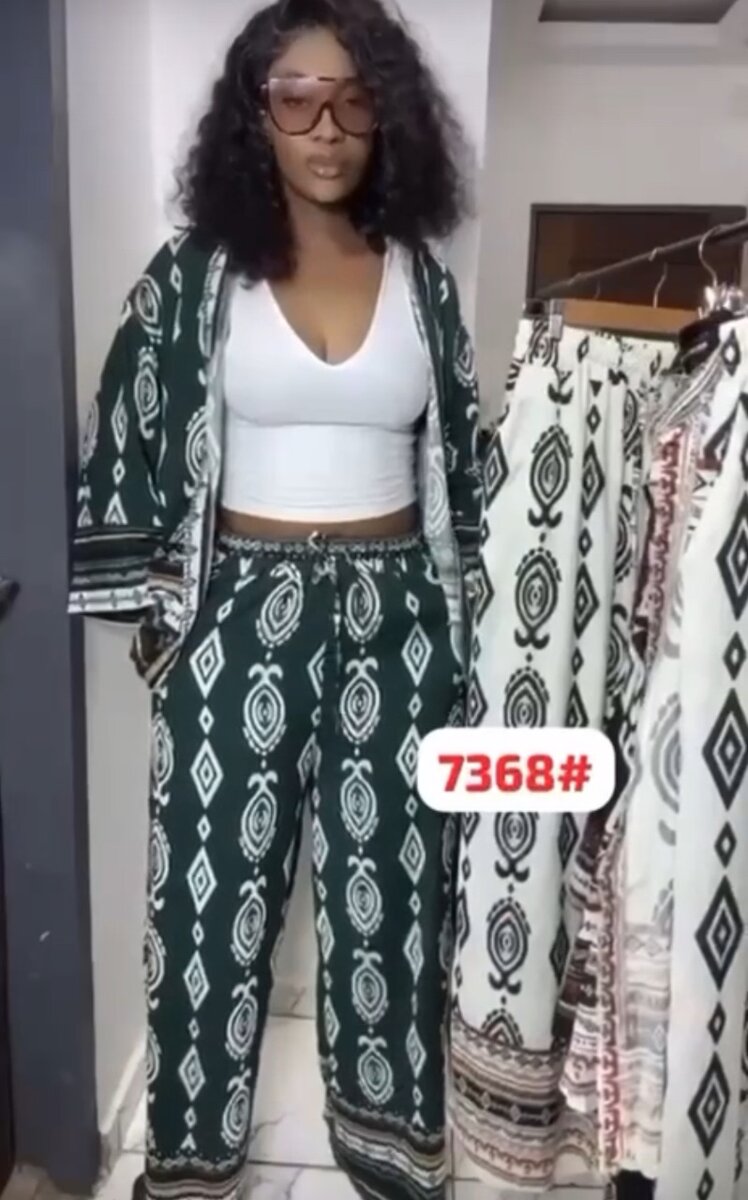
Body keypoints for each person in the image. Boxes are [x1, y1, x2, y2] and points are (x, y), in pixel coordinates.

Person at [69, 0, 481, 1197]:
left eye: (354, 99)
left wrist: (469, 629)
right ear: (255, 114)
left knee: (392, 897)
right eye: (296, 97)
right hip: (234, 617)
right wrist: (164, 622)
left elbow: (464, 466)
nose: (327, 125)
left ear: (388, 117)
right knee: (209, 911)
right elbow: (126, 430)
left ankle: (390, 1148)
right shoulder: (193, 279)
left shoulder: (423, 283)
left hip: (398, 624)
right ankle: (194, 1163)